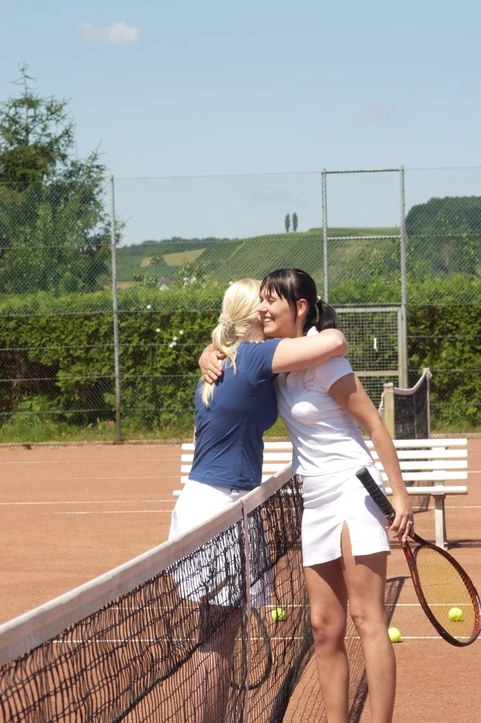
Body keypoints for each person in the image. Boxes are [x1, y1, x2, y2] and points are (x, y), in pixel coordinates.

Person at [200, 268, 413, 723]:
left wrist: (401, 496)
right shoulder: (280, 363)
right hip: (313, 501)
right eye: (260, 300)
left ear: (299, 308)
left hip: (353, 492)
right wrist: (209, 352)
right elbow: (233, 350)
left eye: (271, 301)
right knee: (323, 627)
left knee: (366, 618)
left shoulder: (326, 363)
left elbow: (374, 426)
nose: (262, 308)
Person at [169, 277, 348, 723]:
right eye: (264, 304)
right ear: (252, 317)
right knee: (216, 640)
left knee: (215, 636)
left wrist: (206, 352)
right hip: (221, 509)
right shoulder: (251, 357)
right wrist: (329, 327)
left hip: (213, 504)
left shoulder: (226, 360)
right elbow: (332, 344)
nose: (270, 310)